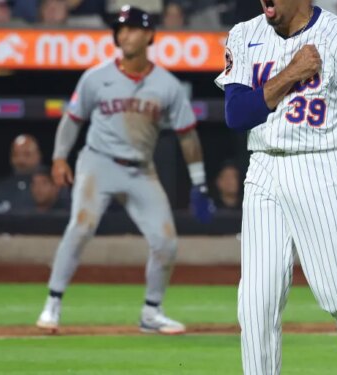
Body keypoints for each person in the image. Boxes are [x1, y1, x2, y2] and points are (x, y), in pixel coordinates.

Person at [215, 0, 337, 373]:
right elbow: (237, 114)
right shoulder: (245, 34)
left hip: (322, 166)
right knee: (255, 305)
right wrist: (292, 73)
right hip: (262, 168)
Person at [36, 5, 215, 335]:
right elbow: (72, 119)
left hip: (141, 170)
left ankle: (151, 311)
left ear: (149, 35)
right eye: (120, 29)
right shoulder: (96, 76)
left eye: (131, 28)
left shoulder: (168, 85)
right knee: (81, 226)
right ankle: (53, 302)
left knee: (166, 242)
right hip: (98, 162)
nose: (124, 34)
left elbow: (187, 135)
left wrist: (200, 182)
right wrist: (60, 157)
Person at [0, 134, 43, 212]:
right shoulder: (2, 187)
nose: (21, 160)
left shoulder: (51, 184)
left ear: (38, 156)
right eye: (15, 155)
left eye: (27, 154)